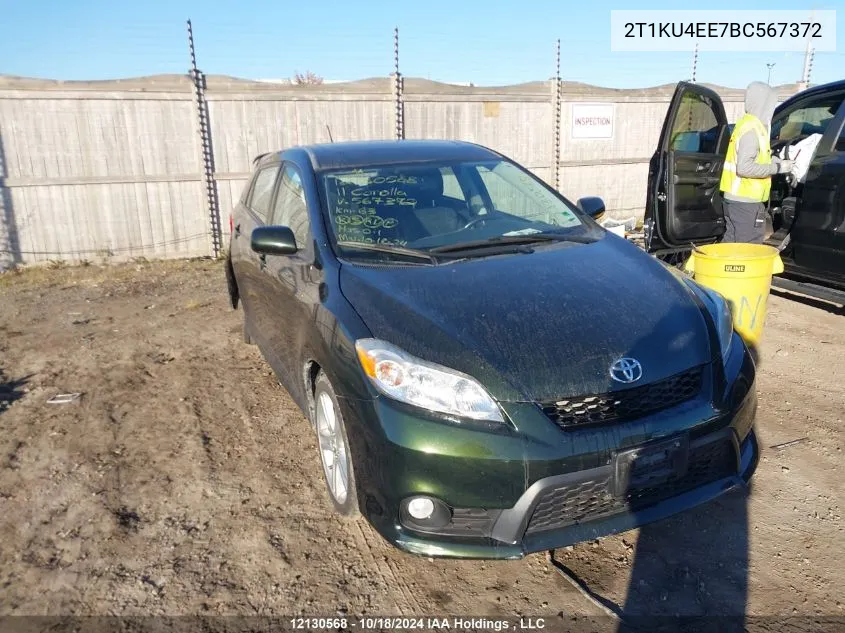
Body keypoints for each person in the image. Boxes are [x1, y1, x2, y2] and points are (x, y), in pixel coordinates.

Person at [719, 81, 795, 243]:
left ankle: (714, 269)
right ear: (763, 103)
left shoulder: (748, 125)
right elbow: (745, 167)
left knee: (732, 243)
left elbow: (754, 157)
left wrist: (773, 160)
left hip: (737, 200)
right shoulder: (752, 130)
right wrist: (778, 167)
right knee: (748, 246)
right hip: (745, 201)